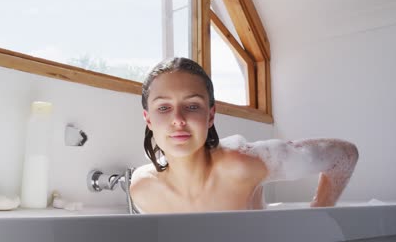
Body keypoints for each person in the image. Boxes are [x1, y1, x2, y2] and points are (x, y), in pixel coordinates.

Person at [130, 57, 358, 214]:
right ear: (148, 119)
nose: (178, 119)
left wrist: (320, 212)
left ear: (210, 116)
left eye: (191, 106)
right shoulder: (142, 189)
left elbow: (345, 155)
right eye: (163, 108)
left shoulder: (241, 166)